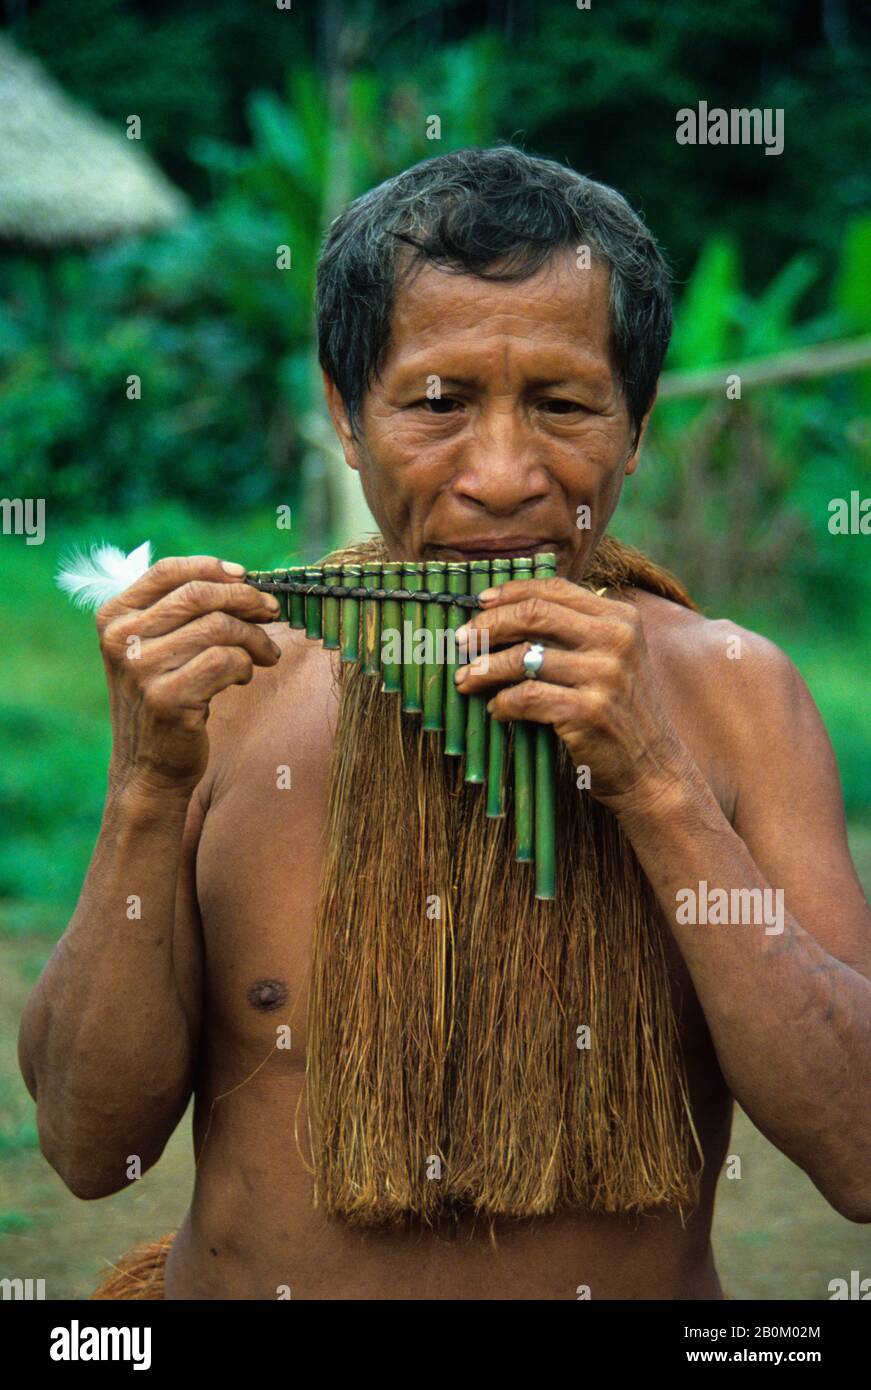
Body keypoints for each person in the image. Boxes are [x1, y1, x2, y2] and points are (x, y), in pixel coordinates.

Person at [18, 146, 871, 1301]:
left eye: (564, 404)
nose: (504, 476)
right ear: (344, 413)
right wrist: (144, 789)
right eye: (437, 402)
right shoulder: (237, 688)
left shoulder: (735, 692)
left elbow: (859, 1154)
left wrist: (657, 785)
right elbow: (84, 1149)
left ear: (635, 422)